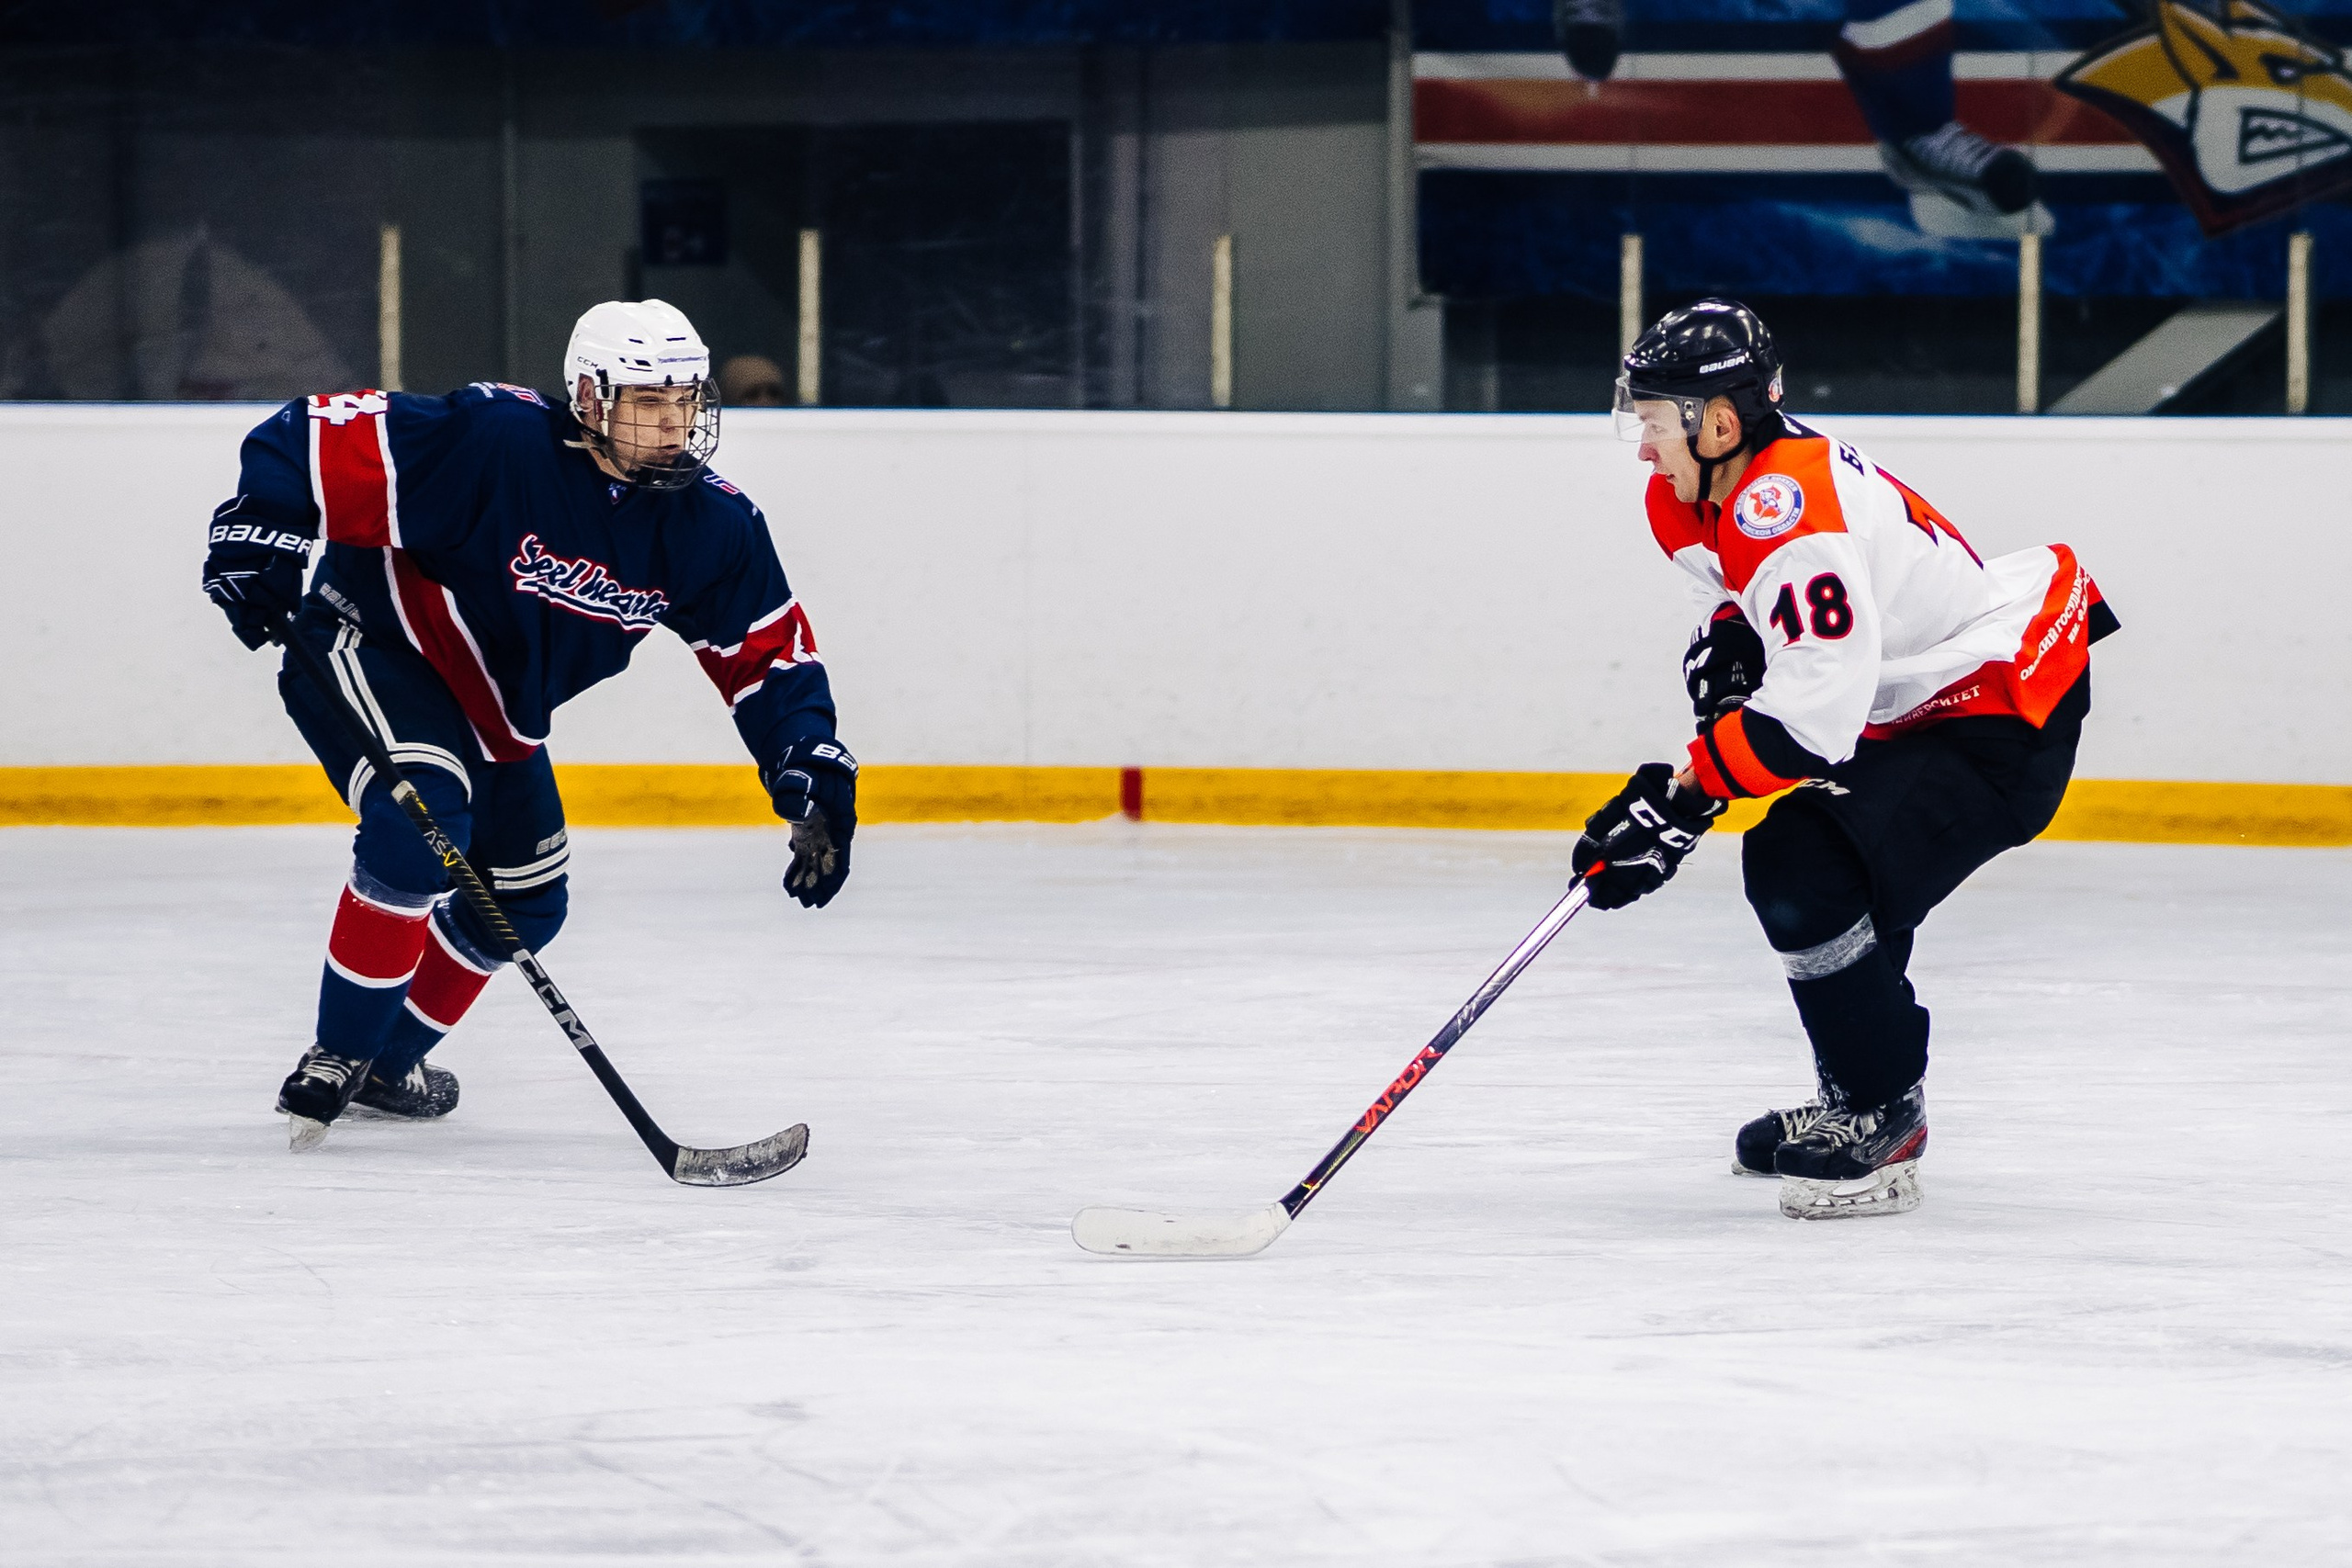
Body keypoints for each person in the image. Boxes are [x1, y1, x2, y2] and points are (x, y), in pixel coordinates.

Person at [199, 299, 857, 1139]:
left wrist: (811, 761)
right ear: (589, 397)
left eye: (687, 401)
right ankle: (337, 1051)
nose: (674, 424)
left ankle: (388, 1064)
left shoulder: (713, 527)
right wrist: (260, 532)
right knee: (421, 819)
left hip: (496, 710)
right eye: (649, 402)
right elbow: (314, 434)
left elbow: (769, 657)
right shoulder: (496, 440)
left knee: (526, 900)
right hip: (374, 641)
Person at [1574, 299, 2116, 1220]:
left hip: (1997, 719)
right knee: (1841, 868)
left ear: (1717, 422)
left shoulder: (1789, 509)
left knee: (1805, 862)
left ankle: (1878, 1114)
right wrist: (1734, 642)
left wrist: (1682, 802)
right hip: (1923, 704)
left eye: (1655, 422)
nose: (1642, 446)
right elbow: (1782, 619)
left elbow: (1812, 723)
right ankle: (1858, 1095)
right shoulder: (1715, 486)